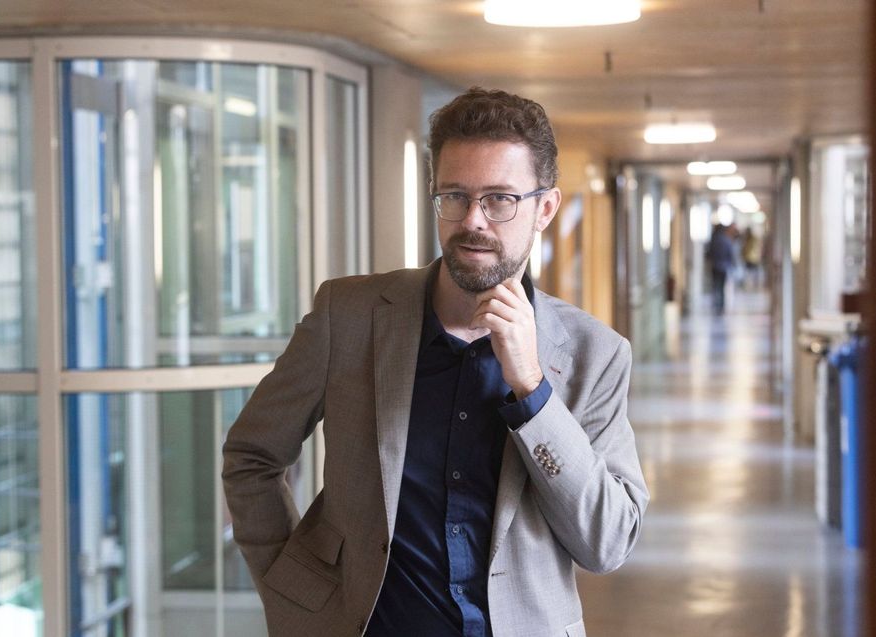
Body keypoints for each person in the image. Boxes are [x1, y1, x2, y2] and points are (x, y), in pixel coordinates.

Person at [222, 87, 649, 637]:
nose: (473, 220)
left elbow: (607, 541)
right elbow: (252, 455)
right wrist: (291, 583)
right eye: (455, 195)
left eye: (500, 199)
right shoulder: (348, 316)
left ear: (545, 208)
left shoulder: (596, 354)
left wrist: (532, 388)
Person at [706, 223, 736, 313]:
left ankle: (716, 304)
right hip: (724, 267)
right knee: (722, 287)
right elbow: (730, 254)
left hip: (715, 266)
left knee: (715, 285)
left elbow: (709, 253)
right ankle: (721, 306)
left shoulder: (714, 240)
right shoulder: (727, 240)